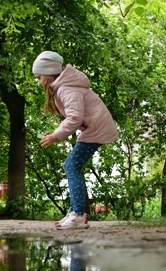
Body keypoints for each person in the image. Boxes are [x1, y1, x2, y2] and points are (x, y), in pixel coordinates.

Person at [32, 51, 119, 230]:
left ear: (47, 74)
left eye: (38, 77)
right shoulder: (64, 87)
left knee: (71, 166)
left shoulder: (66, 89)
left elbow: (74, 118)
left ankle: (78, 215)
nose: (38, 81)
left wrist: (56, 135)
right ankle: (75, 213)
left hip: (97, 128)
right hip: (94, 127)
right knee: (72, 165)